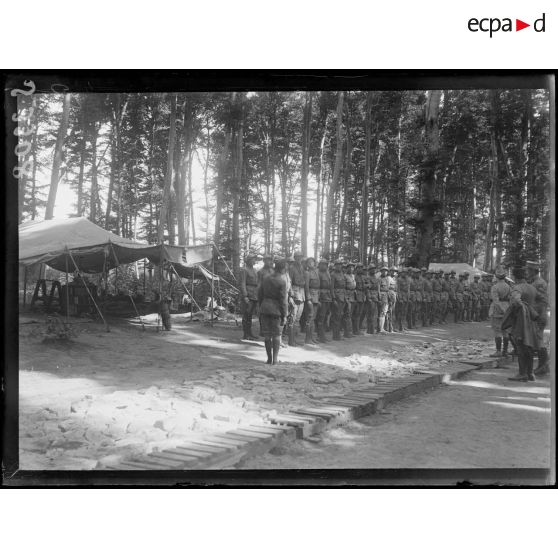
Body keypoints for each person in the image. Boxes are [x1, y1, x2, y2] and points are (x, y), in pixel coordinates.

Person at [502, 266, 539, 382]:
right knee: (530, 346)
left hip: (521, 321)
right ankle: (530, 373)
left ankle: (522, 373)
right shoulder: (532, 288)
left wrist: (523, 308)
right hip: (532, 321)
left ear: (514, 277)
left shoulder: (517, 288)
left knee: (520, 346)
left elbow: (516, 301)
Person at [258, 258, 288, 365]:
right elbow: (283, 300)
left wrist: (261, 305)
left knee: (267, 335)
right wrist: (284, 314)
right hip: (276, 310)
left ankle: (269, 359)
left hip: (265, 307)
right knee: (276, 335)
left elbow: (260, 293)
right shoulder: (282, 281)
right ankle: (275, 360)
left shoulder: (265, 278)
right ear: (283, 269)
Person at [527, 261, 549, 376]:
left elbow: (542, 301)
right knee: (537, 340)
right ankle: (543, 365)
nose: (526, 272)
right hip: (537, 315)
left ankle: (543, 366)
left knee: (539, 340)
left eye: (528, 270)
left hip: (539, 315)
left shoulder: (539, 283)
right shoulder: (534, 282)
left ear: (532, 271)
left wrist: (535, 314)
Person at [489, 266, 511, 358]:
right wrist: (506, 310)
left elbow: (496, 301)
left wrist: (500, 309)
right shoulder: (508, 286)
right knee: (505, 331)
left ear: (497, 276)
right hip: (507, 308)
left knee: (497, 331)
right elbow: (510, 299)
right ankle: (505, 351)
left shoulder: (495, 287)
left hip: (498, 310)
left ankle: (498, 351)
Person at [288, 251, 308, 346]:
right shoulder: (291, 268)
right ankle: (291, 341)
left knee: (298, 319)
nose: (299, 259)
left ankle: (294, 339)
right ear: (295, 258)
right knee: (292, 317)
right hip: (295, 293)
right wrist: (291, 296)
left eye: (301, 257)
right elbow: (289, 283)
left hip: (301, 293)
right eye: (297, 257)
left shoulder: (302, 268)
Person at [239, 253, 259, 340]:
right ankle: (246, 334)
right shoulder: (244, 270)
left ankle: (250, 333)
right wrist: (245, 295)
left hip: (254, 295)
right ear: (248, 260)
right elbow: (242, 283)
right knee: (246, 314)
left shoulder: (254, 270)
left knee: (250, 315)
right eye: (253, 259)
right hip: (248, 294)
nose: (254, 261)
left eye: (255, 259)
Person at [316, 258, 333, 343]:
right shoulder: (318, 273)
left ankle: (322, 335)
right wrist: (318, 298)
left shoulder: (327, 273)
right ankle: (320, 336)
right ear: (320, 265)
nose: (324, 266)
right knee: (321, 317)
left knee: (326, 316)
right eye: (323, 264)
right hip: (321, 297)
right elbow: (317, 287)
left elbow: (330, 286)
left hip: (328, 297)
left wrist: (331, 297)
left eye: (326, 264)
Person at [304, 257, 320, 345]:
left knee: (313, 318)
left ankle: (312, 337)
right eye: (309, 262)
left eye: (312, 262)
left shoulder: (316, 272)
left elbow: (318, 285)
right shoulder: (307, 273)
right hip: (310, 296)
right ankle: (307, 339)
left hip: (316, 296)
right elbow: (306, 287)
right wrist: (308, 299)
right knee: (309, 318)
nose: (311, 264)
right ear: (307, 264)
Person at [330, 260, 346, 341]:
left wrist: (345, 297)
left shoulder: (342, 274)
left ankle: (338, 334)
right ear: (335, 266)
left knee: (340, 316)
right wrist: (333, 299)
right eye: (337, 265)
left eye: (340, 265)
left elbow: (344, 287)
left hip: (342, 297)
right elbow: (331, 288)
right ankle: (335, 335)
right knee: (336, 316)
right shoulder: (333, 275)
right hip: (336, 297)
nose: (339, 266)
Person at [365, 264, 379, 334]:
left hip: (375, 296)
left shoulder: (376, 278)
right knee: (369, 314)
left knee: (373, 314)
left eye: (374, 269)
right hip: (371, 297)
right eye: (372, 269)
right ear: (369, 270)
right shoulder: (368, 278)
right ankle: (369, 329)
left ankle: (372, 329)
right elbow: (367, 289)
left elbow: (377, 288)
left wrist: (378, 297)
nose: (373, 270)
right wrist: (369, 298)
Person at [343, 262, 356, 338]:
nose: (351, 269)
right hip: (347, 296)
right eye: (349, 267)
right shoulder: (345, 276)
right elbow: (343, 288)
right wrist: (346, 298)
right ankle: (347, 332)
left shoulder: (353, 276)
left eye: (352, 267)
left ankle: (350, 332)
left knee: (350, 314)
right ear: (347, 268)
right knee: (347, 314)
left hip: (353, 296)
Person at [353, 263, 366, 335]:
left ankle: (358, 328)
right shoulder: (354, 277)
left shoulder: (364, 277)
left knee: (360, 314)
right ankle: (355, 330)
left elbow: (366, 285)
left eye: (361, 268)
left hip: (362, 296)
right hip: (356, 296)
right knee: (356, 314)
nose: (360, 269)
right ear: (356, 269)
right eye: (358, 268)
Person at [378, 266, 390, 334]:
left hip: (386, 296)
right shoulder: (379, 279)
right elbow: (378, 289)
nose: (385, 272)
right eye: (383, 271)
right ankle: (381, 329)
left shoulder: (387, 279)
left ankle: (382, 328)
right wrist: (379, 298)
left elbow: (388, 288)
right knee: (382, 312)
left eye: (386, 271)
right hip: (382, 296)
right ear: (381, 271)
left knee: (384, 312)